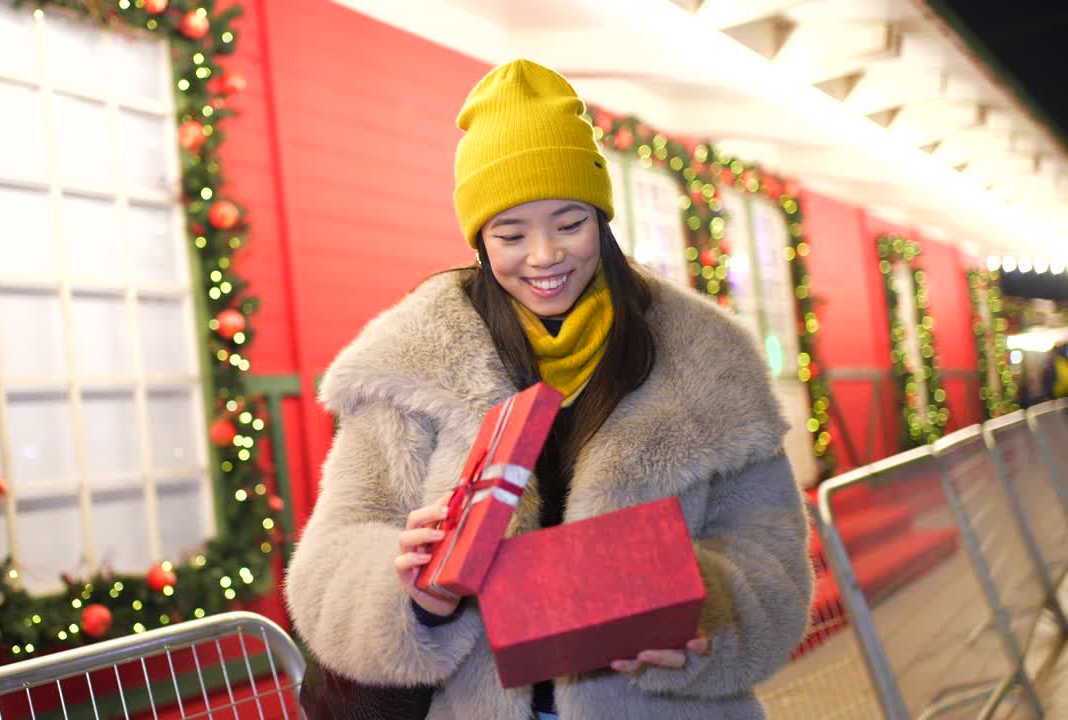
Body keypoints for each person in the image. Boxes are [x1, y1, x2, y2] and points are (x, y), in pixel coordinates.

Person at [285, 59, 812, 720]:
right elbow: (327, 564)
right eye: (510, 233)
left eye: (569, 224)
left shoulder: (706, 359)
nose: (543, 256)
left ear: (603, 218)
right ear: (479, 238)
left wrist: (703, 621)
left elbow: (771, 553)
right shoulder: (415, 366)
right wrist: (409, 592)